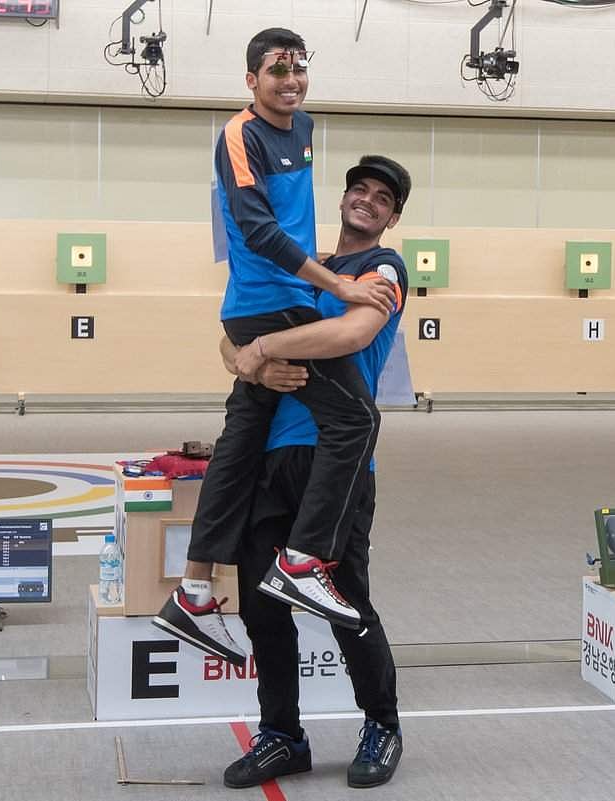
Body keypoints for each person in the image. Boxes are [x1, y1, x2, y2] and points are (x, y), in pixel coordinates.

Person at [153, 28, 397, 661]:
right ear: (251, 80)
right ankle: (303, 559)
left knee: (240, 441)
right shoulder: (240, 134)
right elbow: (259, 230)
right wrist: (333, 283)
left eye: (298, 68)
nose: (290, 81)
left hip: (273, 302)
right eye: (277, 70)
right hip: (270, 300)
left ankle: (193, 588)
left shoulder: (305, 128)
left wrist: (254, 358)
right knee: (356, 418)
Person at [222, 155, 411, 790]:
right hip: (271, 458)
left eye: (382, 198)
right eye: (360, 189)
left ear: (391, 218)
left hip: (337, 461)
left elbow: (350, 335)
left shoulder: (382, 269)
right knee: (262, 606)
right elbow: (229, 337)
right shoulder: (306, 268)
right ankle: (281, 736)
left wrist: (265, 349)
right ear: (342, 198)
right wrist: (249, 360)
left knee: (344, 602)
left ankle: (381, 725)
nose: (367, 200)